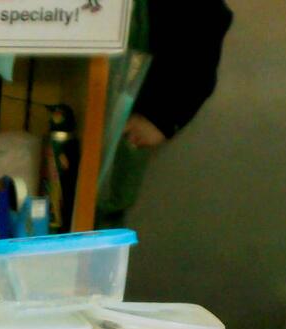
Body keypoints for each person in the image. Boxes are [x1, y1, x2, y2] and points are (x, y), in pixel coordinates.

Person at [95, 0, 238, 221]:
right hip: (73, 92)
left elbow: (207, 19)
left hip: (117, 114)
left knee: (93, 217)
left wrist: (162, 116)